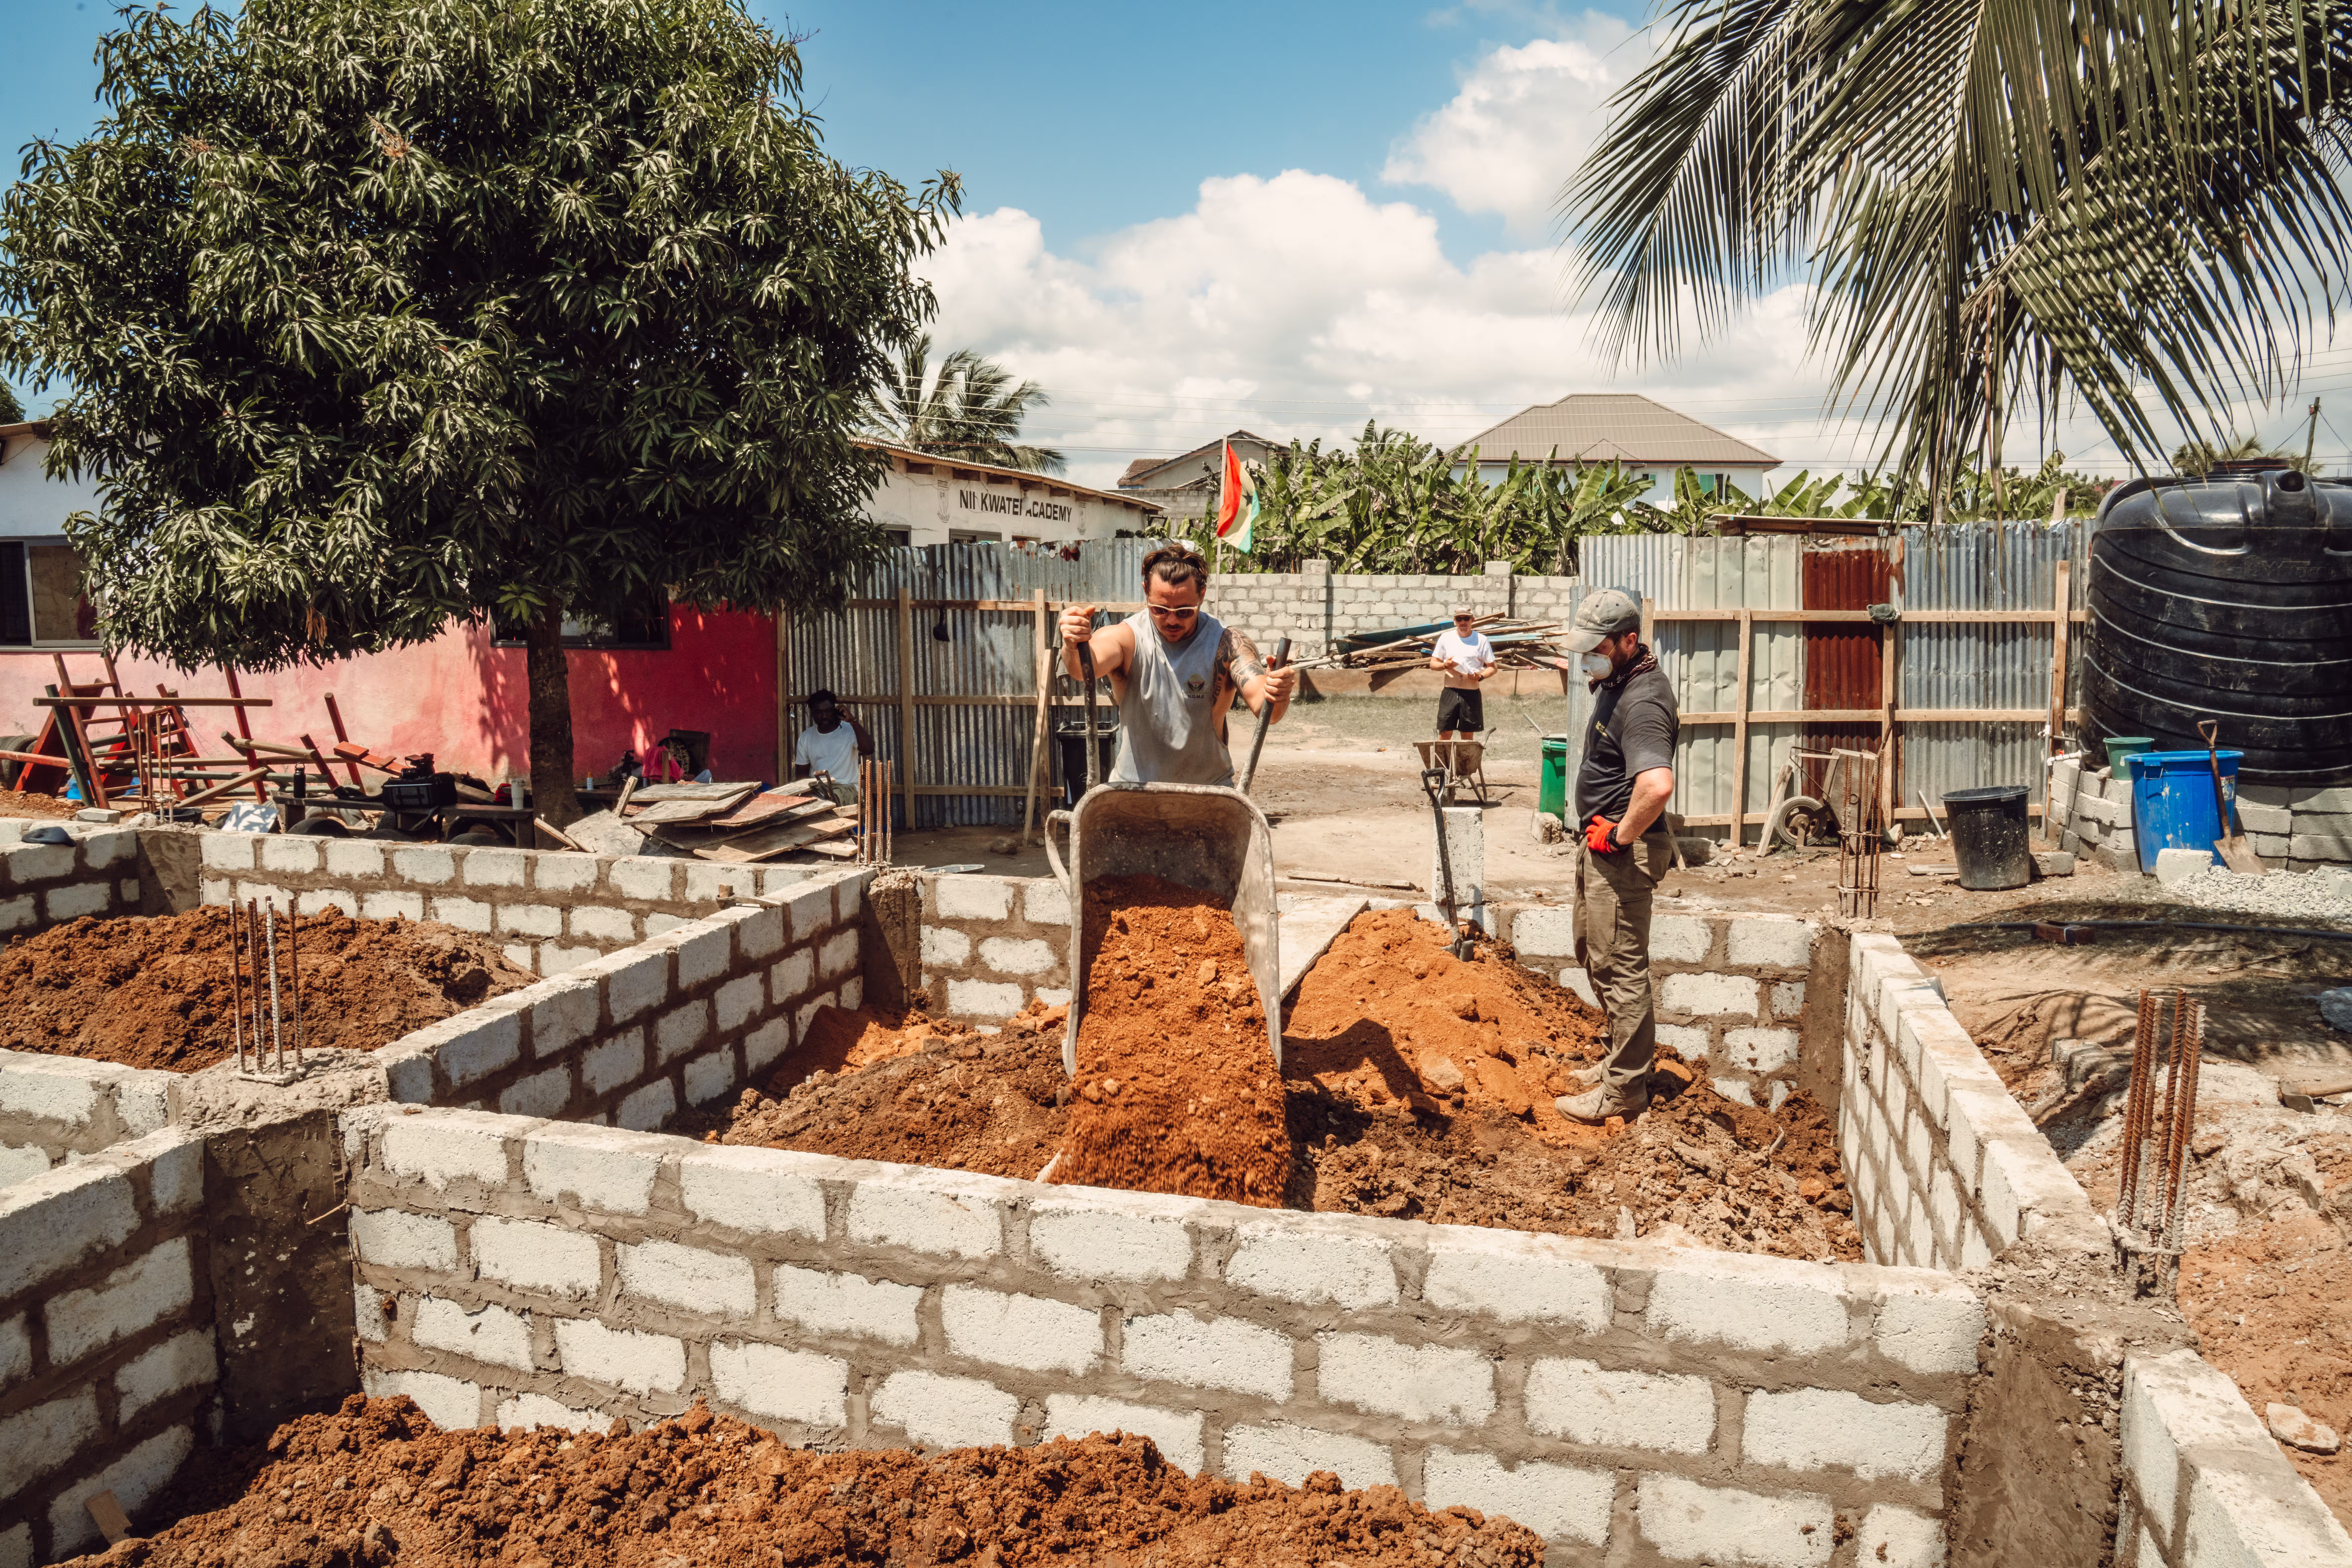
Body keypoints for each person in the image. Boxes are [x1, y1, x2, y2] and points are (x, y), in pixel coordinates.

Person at [1553, 587, 1679, 1124]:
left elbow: (1656, 786)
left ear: (1629, 640)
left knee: (1621, 967)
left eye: (1597, 648)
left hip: (1622, 852)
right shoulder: (1617, 675)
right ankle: (1618, 1064)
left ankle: (1625, 1092)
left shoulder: (1645, 700)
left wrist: (1620, 837)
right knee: (1594, 953)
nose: (1588, 658)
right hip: (1599, 844)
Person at [1058, 544, 1298, 787]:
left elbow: (1268, 711)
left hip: (1208, 794)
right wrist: (1071, 644)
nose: (1172, 620)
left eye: (1184, 612)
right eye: (1160, 610)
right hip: (1134, 795)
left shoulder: (1228, 644)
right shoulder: (1126, 639)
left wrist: (1277, 691)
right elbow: (1081, 669)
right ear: (1146, 593)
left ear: (1201, 595)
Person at [792, 689, 872, 803]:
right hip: (820, 789)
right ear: (813, 713)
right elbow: (801, 776)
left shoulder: (851, 730)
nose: (824, 716)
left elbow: (869, 749)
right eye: (819, 712)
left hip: (847, 788)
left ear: (835, 711)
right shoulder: (806, 738)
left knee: (827, 801)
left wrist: (853, 722)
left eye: (828, 711)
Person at [1429, 607, 1496, 740]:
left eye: (1466, 618)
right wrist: (1445, 665)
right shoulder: (1446, 638)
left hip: (1471, 693)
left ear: (1473, 620)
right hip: (1450, 692)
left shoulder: (1481, 640)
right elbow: (1433, 664)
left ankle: (1464, 761)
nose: (1463, 622)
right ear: (1455, 622)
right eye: (1459, 619)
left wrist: (1481, 677)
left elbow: (1493, 668)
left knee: (1467, 735)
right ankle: (1443, 761)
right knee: (1445, 733)